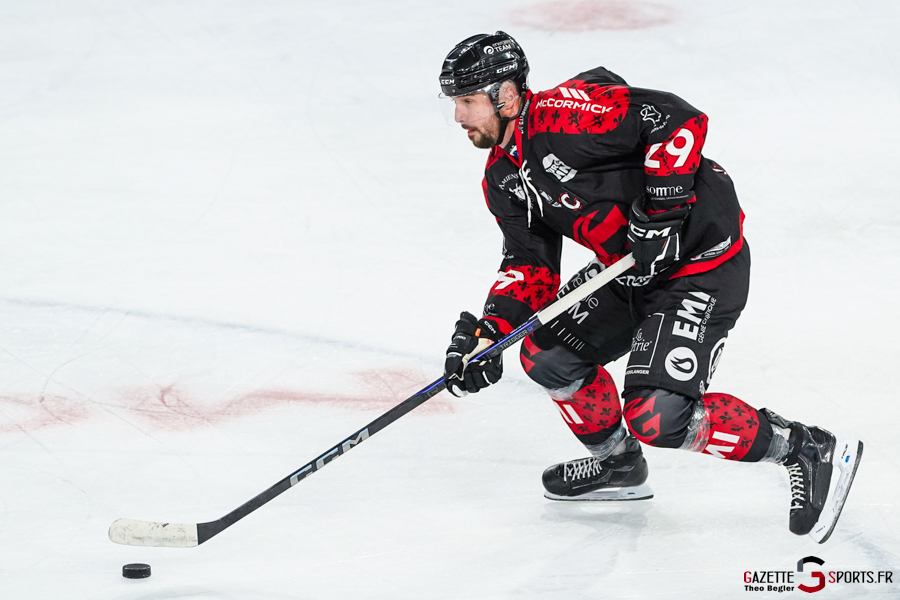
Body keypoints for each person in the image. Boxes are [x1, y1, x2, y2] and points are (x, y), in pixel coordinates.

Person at [438, 31, 862, 542]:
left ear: (506, 95)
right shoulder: (503, 176)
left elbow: (678, 119)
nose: (458, 116)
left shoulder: (564, 116)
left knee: (659, 416)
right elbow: (530, 265)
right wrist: (489, 334)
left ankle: (806, 448)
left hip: (698, 267)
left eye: (467, 101)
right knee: (547, 354)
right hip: (629, 271)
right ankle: (618, 465)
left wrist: (662, 211)